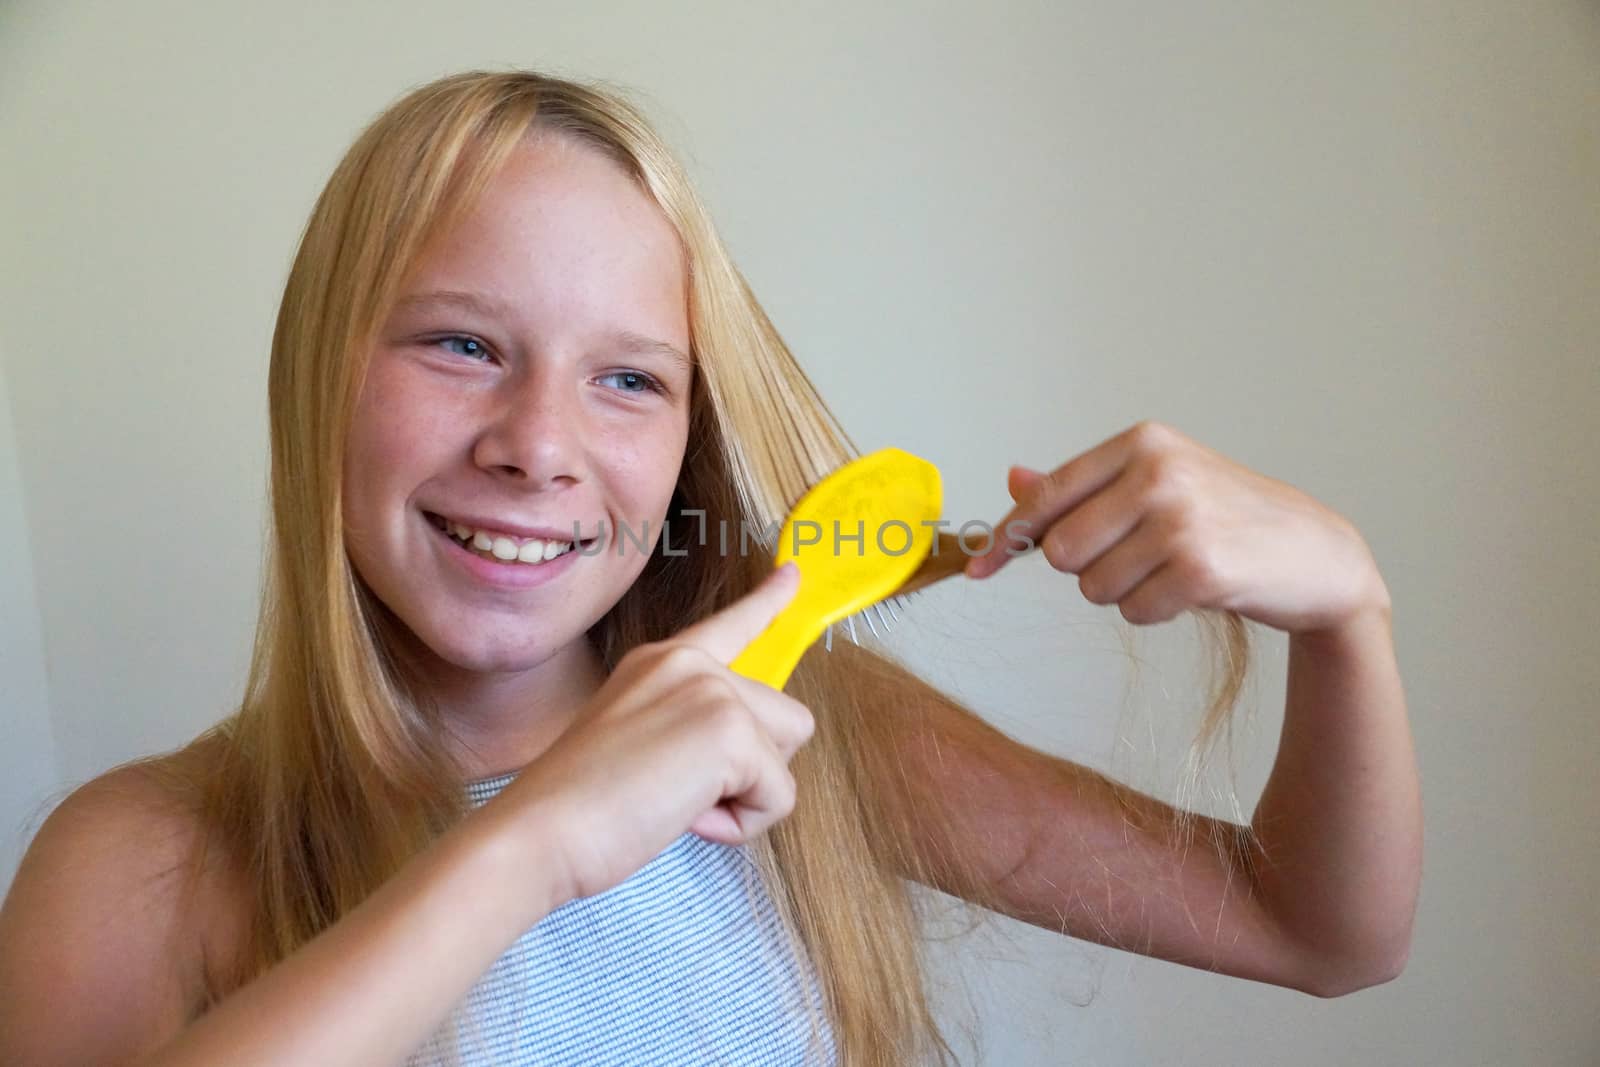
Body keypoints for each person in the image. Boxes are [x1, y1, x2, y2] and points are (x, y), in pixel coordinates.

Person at [0, 69, 1421, 1067]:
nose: (540, 445)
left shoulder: (811, 729)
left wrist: (1348, 609)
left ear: (689, 439)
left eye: (628, 379)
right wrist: (536, 841)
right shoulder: (142, 868)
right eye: (463, 345)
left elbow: (1318, 934)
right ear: (318, 374)